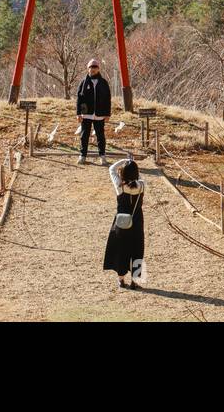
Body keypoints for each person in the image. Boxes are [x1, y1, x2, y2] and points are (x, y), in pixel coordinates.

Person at [103, 157, 146, 289]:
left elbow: (111, 169)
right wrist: (133, 165)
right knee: (137, 250)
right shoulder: (142, 185)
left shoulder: (119, 186)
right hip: (137, 221)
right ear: (136, 173)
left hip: (121, 222)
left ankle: (121, 280)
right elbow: (140, 177)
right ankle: (136, 281)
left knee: (120, 250)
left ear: (123, 173)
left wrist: (123, 160)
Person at [75, 58, 111, 165]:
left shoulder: (103, 82)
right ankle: (82, 156)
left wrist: (108, 113)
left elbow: (108, 99)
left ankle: (102, 156)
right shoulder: (83, 82)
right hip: (86, 114)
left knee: (100, 136)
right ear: (88, 69)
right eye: (91, 67)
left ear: (98, 69)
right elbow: (79, 98)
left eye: (95, 67)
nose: (93, 69)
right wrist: (78, 113)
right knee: (84, 136)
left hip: (100, 114)